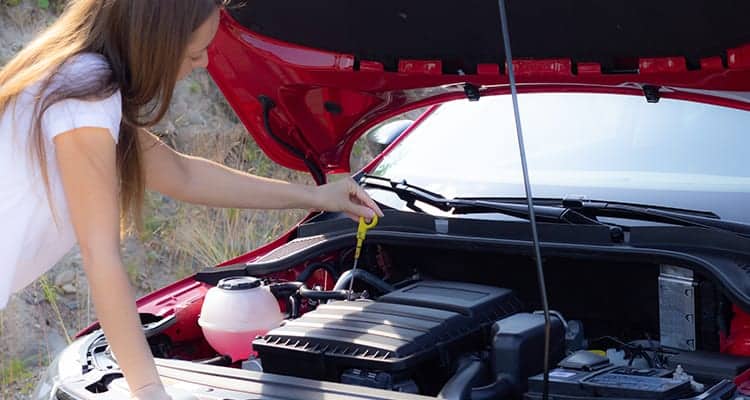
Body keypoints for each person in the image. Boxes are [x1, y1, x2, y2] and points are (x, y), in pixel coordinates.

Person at [0, 1, 383, 399]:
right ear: (155, 44)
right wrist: (148, 388)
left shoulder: (79, 80)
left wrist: (317, 195)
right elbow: (101, 256)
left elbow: (182, 174)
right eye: (195, 52)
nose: (203, 64)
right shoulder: (85, 94)